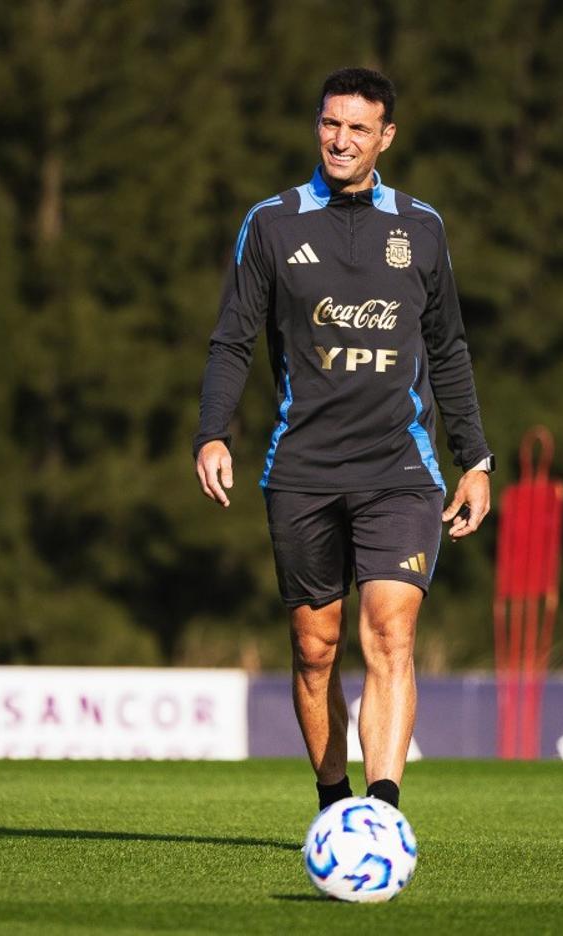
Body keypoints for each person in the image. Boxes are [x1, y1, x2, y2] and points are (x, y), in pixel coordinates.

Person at [193, 67, 493, 813]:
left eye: (359, 128)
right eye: (331, 123)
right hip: (302, 469)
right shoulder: (271, 222)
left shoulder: (421, 226)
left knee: (389, 632)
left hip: (401, 467)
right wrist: (212, 433)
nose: (341, 139)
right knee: (314, 649)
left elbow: (449, 347)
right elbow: (232, 340)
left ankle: (381, 812)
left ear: (386, 136)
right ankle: (335, 801)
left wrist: (476, 459)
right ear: (316, 125)